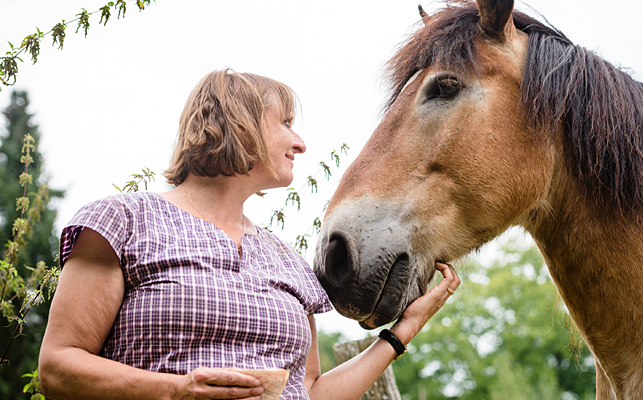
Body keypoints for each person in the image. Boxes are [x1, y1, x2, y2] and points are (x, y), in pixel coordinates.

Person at [38, 69, 460, 400]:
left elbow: (311, 393)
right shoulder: (124, 221)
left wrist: (401, 332)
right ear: (239, 125)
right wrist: (175, 390)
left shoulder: (288, 262)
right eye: (287, 123)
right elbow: (58, 368)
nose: (300, 143)